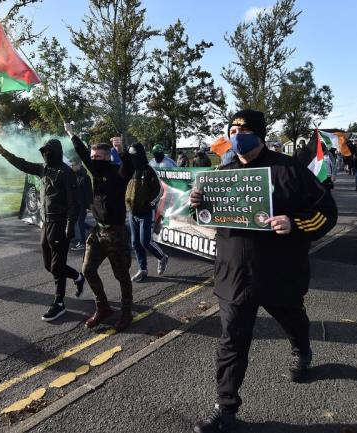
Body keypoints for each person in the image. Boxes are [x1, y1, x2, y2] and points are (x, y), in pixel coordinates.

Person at [190, 109, 337, 433]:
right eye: (231, 129)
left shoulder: (289, 170)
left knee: (292, 319)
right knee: (232, 341)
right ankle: (225, 408)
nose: (236, 134)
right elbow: (205, 218)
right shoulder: (222, 174)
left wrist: (295, 223)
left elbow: (326, 211)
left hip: (279, 272)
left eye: (242, 129)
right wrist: (199, 204)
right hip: (234, 275)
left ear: (258, 133)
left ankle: (302, 350)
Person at [0, 136, 86, 321]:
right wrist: (1, 151)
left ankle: (59, 303)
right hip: (46, 223)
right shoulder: (43, 169)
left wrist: (70, 225)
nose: (46, 155)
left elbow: (74, 203)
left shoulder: (66, 173)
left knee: (57, 266)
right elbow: (22, 164)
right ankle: (77, 276)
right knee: (49, 265)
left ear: (57, 153)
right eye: (45, 152)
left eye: (50, 152)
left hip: (60, 224)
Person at [65, 122, 136, 332]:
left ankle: (126, 312)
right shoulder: (95, 172)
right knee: (87, 270)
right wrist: (71, 133)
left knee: (121, 275)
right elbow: (82, 153)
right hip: (97, 230)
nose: (93, 161)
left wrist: (121, 151)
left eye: (98, 158)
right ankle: (103, 306)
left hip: (116, 232)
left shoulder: (118, 172)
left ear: (107, 157)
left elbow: (130, 168)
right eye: (92, 157)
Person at [125, 142, 169, 282]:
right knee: (135, 243)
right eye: (130, 154)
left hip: (146, 213)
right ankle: (142, 269)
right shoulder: (130, 170)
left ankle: (163, 258)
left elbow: (160, 190)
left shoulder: (149, 170)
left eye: (134, 154)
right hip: (132, 213)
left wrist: (150, 204)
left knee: (146, 242)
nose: (132, 157)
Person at [70, 160, 93, 251]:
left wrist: (88, 207)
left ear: (79, 165)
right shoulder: (74, 175)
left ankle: (83, 242)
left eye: (74, 165)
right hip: (76, 204)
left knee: (80, 222)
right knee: (77, 221)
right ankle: (91, 228)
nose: (72, 167)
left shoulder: (85, 177)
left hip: (83, 204)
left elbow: (88, 193)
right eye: (71, 165)